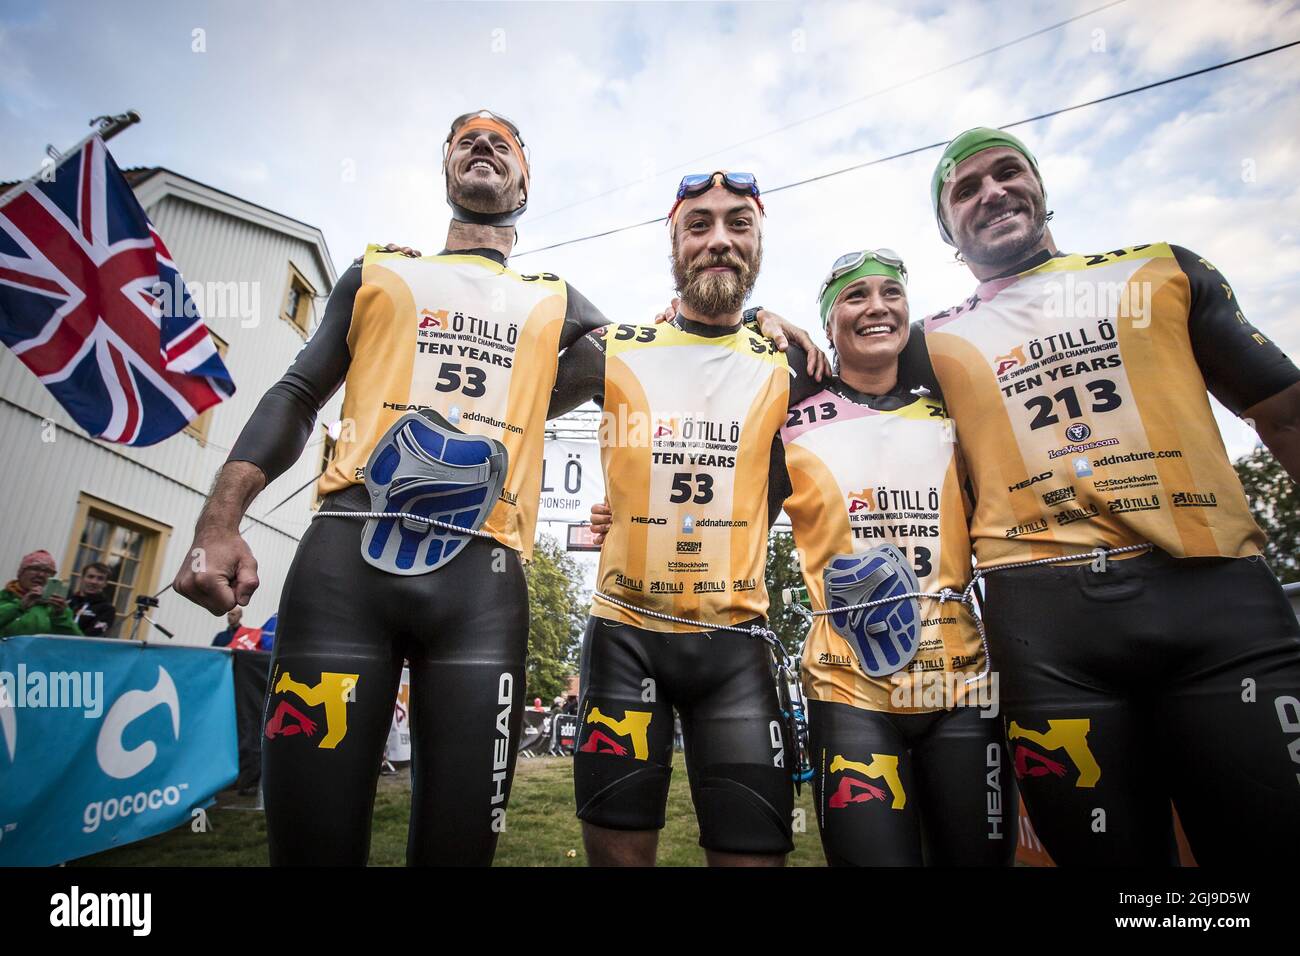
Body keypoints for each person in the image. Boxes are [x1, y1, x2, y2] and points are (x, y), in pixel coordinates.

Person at [172, 112, 815, 867]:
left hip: (482, 581)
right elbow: (295, 391)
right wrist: (220, 521)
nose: (483, 145)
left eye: (503, 142)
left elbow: (681, 358)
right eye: (465, 138)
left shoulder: (563, 305)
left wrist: (761, 315)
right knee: (309, 846)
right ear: (445, 164)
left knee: (460, 851)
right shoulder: (379, 269)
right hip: (346, 564)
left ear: (525, 181)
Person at [922, 126, 1300, 864]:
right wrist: (766, 322)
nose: (993, 192)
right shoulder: (929, 339)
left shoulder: (1162, 270)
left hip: (1218, 604)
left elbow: (1281, 411)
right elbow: (827, 386)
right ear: (949, 230)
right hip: (1048, 628)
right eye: (966, 189)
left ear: (1040, 185)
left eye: (1007, 172)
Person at [549, 171, 803, 867]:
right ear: (674, 245)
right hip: (625, 639)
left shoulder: (792, 365)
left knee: (754, 854)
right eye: (698, 225)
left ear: (758, 244)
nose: (718, 240)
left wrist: (791, 326)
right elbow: (512, 402)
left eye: (737, 225)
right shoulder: (616, 347)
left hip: (736, 646)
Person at [782, 249, 1013, 865]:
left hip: (960, 684)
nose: (876, 307)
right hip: (850, 688)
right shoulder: (789, 420)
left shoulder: (955, 410)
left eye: (891, 293)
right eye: (855, 298)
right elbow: (723, 492)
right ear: (827, 327)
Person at [1, 550, 82, 638]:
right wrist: (19, 607)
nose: (41, 574)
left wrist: (60, 617)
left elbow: (76, 642)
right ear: (20, 572)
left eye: (48, 571)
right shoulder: (4, 597)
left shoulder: (56, 605)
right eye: (35, 568)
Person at [68, 561, 116, 637]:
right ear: (82, 578)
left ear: (105, 583)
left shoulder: (107, 609)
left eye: (100, 579)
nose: (94, 582)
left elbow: (90, 637)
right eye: (90, 576)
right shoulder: (67, 601)